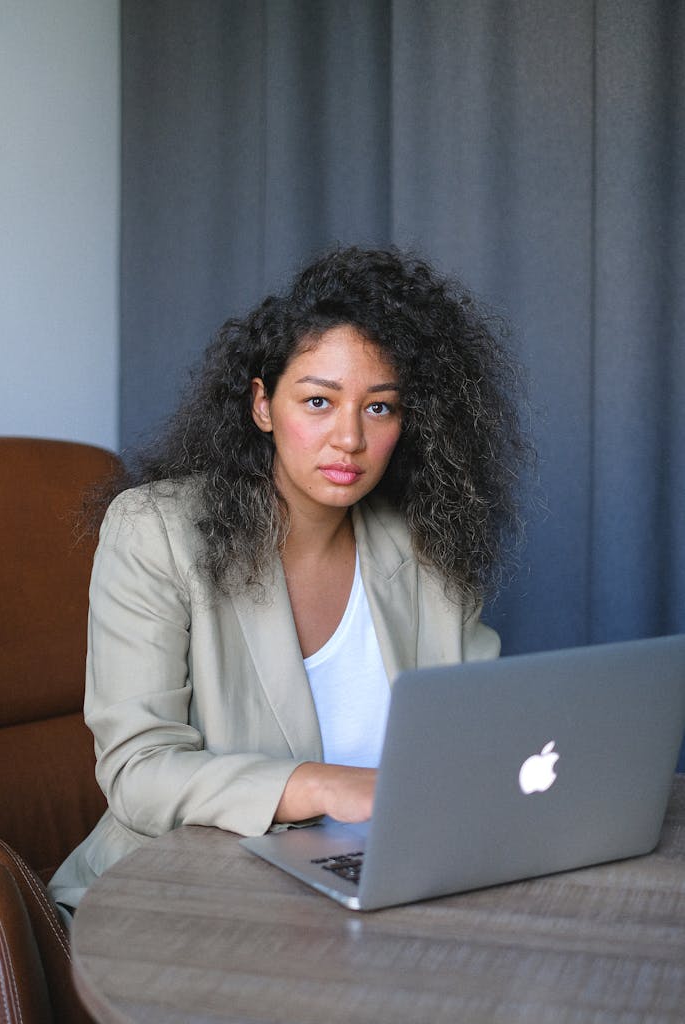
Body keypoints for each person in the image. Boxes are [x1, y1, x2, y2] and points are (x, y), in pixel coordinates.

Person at [48, 245, 531, 916]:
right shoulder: (154, 531)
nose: (349, 439)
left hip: (365, 892)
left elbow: (482, 727)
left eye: (380, 408)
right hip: (176, 900)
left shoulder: (424, 545)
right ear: (263, 405)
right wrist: (327, 787)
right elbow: (139, 772)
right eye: (318, 400)